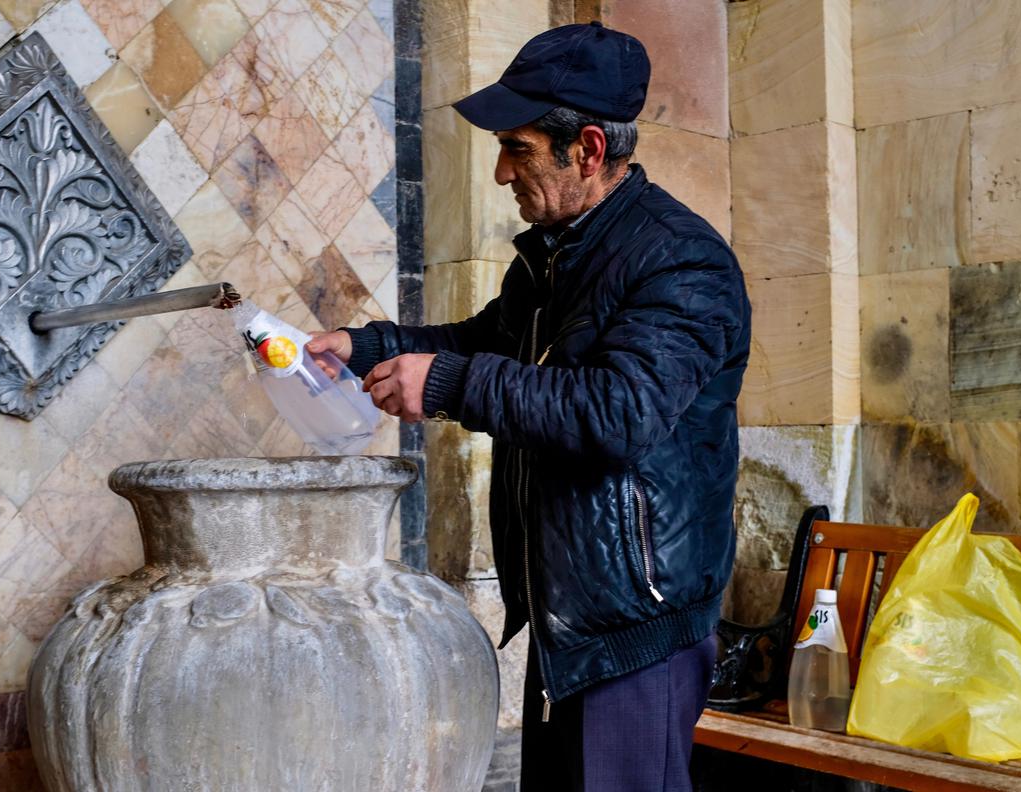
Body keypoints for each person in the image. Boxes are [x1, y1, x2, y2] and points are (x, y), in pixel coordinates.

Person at [308, 21, 750, 792]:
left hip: (635, 628)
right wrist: (366, 345)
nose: (502, 174)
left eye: (517, 148)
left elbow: (620, 413)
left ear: (586, 149)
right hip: (570, 611)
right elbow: (484, 340)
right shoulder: (557, 254)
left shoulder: (681, 258)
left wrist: (446, 383)